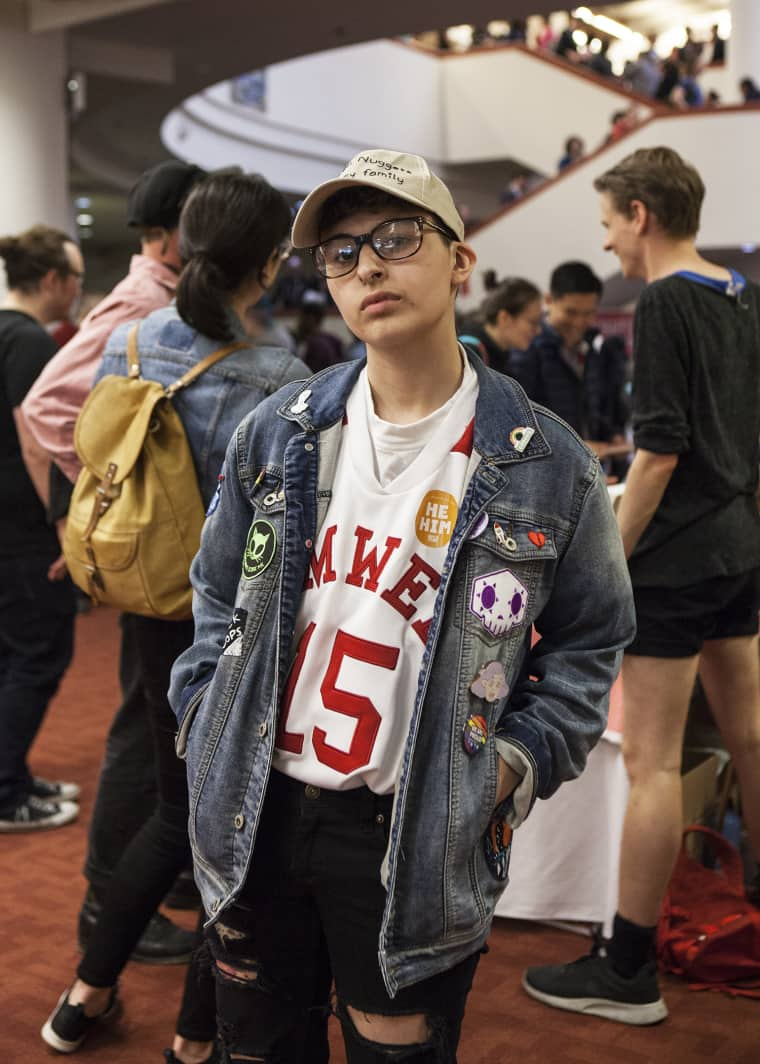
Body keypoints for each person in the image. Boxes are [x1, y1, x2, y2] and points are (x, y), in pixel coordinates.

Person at [167, 147, 635, 1062]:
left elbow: (591, 642)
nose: (367, 266)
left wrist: (506, 765)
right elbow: (216, 595)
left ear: (461, 259)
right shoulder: (283, 431)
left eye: (395, 236)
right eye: (339, 253)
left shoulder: (548, 464)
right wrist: (204, 721)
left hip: (411, 829)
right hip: (255, 807)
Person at [42, 172, 308, 1059]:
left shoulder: (129, 338)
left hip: (147, 606)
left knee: (172, 812)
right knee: (237, 832)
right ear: (269, 266)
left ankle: (82, 996)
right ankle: (195, 1040)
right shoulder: (280, 376)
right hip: (234, 632)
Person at [523, 146, 760, 1025]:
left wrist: (605, 564)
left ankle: (627, 967)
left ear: (642, 216)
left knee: (655, 763)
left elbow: (658, 451)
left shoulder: (662, 299)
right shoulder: (739, 292)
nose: (610, 241)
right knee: (752, 735)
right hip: (739, 544)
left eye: (611, 222)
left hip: (679, 558)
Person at [20, 160, 206, 965]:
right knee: (145, 719)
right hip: (152, 553)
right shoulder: (143, 303)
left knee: (160, 712)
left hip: (166, 552)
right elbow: (46, 406)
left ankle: (149, 876)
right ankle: (108, 891)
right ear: (171, 233)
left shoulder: (164, 299)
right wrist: (94, 505)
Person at [0, 226, 83, 832]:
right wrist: (63, 525)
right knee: (38, 656)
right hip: (25, 530)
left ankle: (12, 775)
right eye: (76, 279)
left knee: (12, 658)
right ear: (52, 280)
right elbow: (35, 443)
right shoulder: (27, 341)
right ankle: (6, 793)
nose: (78, 291)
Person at [521, 260, 627, 444]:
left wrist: (611, 435)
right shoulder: (527, 349)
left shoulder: (595, 351)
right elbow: (520, 422)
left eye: (588, 313)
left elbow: (595, 409)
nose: (579, 322)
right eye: (570, 312)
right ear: (548, 301)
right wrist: (571, 449)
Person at [459, 277, 542, 377]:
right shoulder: (471, 353)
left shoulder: (502, 355)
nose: (538, 331)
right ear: (504, 318)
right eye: (533, 322)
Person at [291, 290, 345, 373]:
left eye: (301, 318)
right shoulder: (333, 340)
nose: (298, 322)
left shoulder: (317, 345)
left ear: (311, 319)